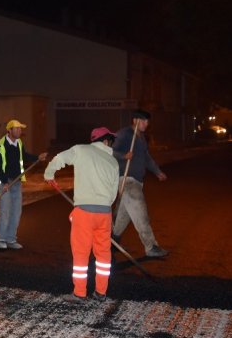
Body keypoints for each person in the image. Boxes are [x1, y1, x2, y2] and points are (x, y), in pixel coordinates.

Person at [44, 127, 120, 302]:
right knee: (103, 255)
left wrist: (49, 174)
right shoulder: (112, 162)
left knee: (81, 253)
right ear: (106, 141)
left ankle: (79, 293)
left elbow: (60, 158)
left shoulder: (81, 150)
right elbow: (113, 193)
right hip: (104, 213)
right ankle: (101, 292)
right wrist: (103, 203)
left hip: (84, 212)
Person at [112, 109, 169, 258]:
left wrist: (157, 171)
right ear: (135, 120)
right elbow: (110, 151)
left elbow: (146, 158)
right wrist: (123, 156)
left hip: (137, 181)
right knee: (141, 215)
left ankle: (112, 241)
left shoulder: (141, 138)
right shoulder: (124, 134)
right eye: (144, 121)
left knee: (124, 215)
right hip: (127, 180)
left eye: (148, 122)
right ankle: (151, 247)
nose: (146, 124)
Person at [0, 119, 47, 249]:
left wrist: (37, 157)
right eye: (16, 128)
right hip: (5, 183)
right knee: (5, 211)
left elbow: (24, 155)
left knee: (16, 211)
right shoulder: (0, 146)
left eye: (20, 129)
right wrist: (4, 182)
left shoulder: (19, 143)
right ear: (9, 130)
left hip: (16, 182)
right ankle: (1, 239)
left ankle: (11, 239)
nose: (19, 131)